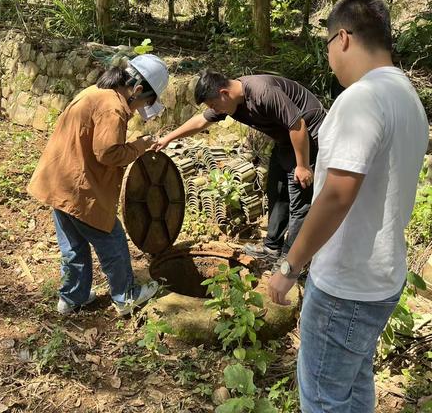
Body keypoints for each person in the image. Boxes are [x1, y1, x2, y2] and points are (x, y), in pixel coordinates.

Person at [267, 0, 429, 412]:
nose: (328, 59)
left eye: (326, 47)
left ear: (342, 38)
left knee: (322, 400)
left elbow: (338, 194)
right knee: (354, 387)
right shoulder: (408, 99)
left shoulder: (362, 98)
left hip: (346, 284)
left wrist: (289, 266)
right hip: (381, 278)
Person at [28, 54, 169, 316]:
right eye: (144, 102)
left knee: (72, 246)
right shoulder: (112, 108)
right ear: (137, 90)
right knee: (112, 240)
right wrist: (138, 146)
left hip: (59, 181)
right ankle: (125, 296)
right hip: (79, 187)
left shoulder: (97, 92)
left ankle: (72, 298)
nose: (141, 109)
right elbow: (107, 154)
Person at [154, 70, 327, 263]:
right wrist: (168, 138)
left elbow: (298, 125)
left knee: (299, 201)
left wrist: (302, 166)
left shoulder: (263, 93)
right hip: (286, 139)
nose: (215, 110)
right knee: (277, 191)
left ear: (224, 93)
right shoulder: (230, 101)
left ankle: (292, 261)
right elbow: (201, 120)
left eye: (214, 105)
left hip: (309, 134)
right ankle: (272, 248)